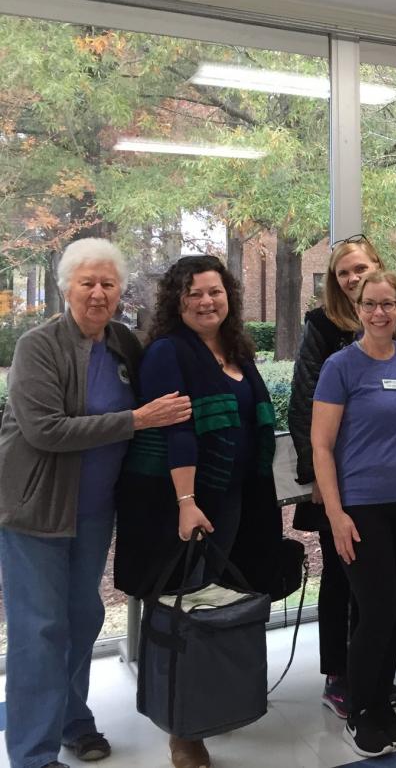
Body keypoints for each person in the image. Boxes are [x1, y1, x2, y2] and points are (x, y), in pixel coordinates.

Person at [0, 238, 190, 768]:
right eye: (88, 282)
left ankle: (72, 721)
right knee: (39, 631)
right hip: (35, 511)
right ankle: (33, 755)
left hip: (94, 510)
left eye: (108, 283)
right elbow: (45, 430)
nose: (99, 293)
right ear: (66, 289)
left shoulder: (124, 345)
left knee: (82, 620)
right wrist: (136, 420)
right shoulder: (38, 346)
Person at [114, 255, 282, 768]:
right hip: (176, 502)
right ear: (177, 301)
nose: (206, 302)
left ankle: (207, 700)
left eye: (214, 291)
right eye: (194, 294)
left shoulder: (235, 347)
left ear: (228, 295)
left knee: (211, 604)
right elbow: (177, 431)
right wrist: (187, 504)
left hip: (230, 497)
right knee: (181, 606)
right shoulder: (168, 352)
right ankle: (181, 732)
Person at [287, 236, 396, 718]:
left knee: (378, 587)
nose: (353, 278)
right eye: (343, 274)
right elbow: (304, 402)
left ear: (377, 268)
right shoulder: (321, 327)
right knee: (340, 580)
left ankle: (374, 674)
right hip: (337, 480)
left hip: (391, 484)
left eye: (360, 268)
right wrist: (316, 477)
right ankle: (338, 676)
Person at [311, 270, 396, 756]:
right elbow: (321, 446)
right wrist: (336, 514)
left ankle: (383, 706)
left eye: (388, 304)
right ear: (356, 310)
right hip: (361, 506)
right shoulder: (341, 366)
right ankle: (360, 711)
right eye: (369, 305)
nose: (379, 313)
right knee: (375, 609)